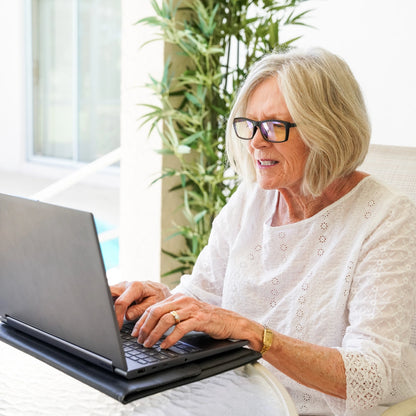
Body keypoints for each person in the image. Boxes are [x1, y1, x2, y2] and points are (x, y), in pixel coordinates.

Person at [111, 47, 416, 415]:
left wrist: (255, 334)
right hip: (230, 396)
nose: (255, 142)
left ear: (328, 129)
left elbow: (370, 376)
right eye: (250, 125)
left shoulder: (387, 219)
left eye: (274, 126)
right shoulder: (252, 198)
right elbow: (202, 295)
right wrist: (158, 302)